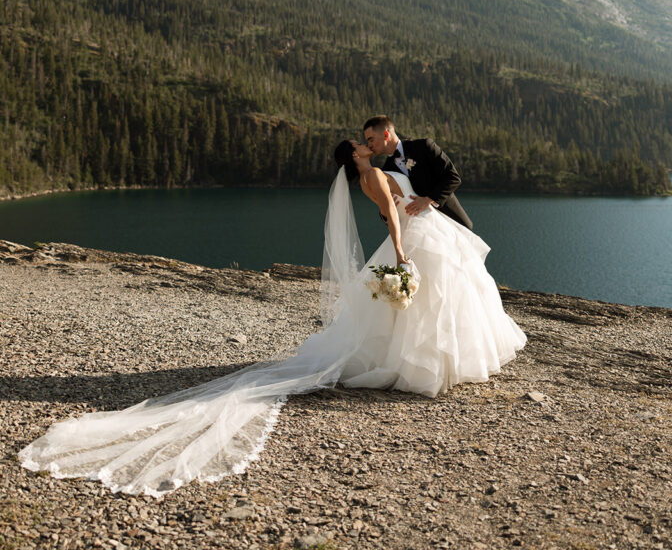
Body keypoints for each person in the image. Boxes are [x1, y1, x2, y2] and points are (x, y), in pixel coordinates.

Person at [19, 142, 525, 497]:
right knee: (428, 300)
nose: (365, 145)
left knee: (431, 300)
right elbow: (392, 214)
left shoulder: (381, 167)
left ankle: (426, 357)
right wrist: (397, 248)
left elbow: (407, 195)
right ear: (354, 158)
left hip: (424, 228)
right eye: (358, 146)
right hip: (409, 237)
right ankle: (425, 362)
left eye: (365, 141)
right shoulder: (372, 174)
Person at [362, 114, 473, 229]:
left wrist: (428, 200)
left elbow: (453, 177)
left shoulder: (424, 146)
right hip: (423, 232)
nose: (369, 145)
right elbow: (388, 215)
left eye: (371, 140)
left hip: (452, 221)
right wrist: (384, 211)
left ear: (386, 134)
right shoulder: (385, 172)